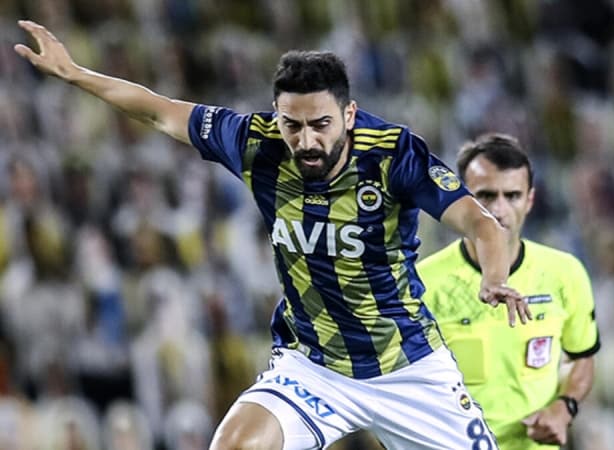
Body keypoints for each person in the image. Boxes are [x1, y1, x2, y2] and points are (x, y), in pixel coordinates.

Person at [14, 19, 532, 450]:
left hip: (407, 366)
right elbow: (158, 110)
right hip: (314, 366)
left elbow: (480, 223)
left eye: (321, 125)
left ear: (349, 114)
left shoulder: (393, 154)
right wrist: (76, 74)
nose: (306, 141)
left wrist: (493, 277)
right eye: (292, 125)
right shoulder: (255, 142)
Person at [417, 133, 600, 450]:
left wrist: (564, 407)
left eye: (512, 196)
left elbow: (581, 356)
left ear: (530, 200)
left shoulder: (564, 274)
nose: (498, 209)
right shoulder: (423, 283)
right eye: (485, 196)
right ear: (460, 201)